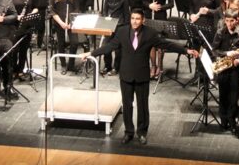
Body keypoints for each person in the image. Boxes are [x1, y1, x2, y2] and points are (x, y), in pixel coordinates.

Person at [83, 9, 199, 145]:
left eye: (137, 19)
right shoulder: (122, 31)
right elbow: (109, 47)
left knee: (143, 106)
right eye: (132, 18)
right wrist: (91, 53)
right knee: (127, 105)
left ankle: (142, 132)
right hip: (126, 74)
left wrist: (186, 50)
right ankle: (128, 132)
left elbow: (166, 44)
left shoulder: (150, 33)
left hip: (142, 75)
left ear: (143, 20)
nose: (134, 21)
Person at [212, 9, 239, 132]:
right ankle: (223, 120)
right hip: (224, 67)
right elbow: (214, 50)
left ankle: (232, 120)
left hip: (237, 68)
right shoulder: (220, 33)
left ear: (237, 20)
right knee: (223, 94)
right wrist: (227, 53)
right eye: (227, 20)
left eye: (231, 21)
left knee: (234, 94)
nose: (229, 24)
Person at [143, 0, 174, 78]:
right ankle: (153, 66)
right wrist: (149, 5)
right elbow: (143, 1)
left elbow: (171, 4)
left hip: (160, 17)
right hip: (149, 17)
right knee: (151, 44)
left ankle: (160, 67)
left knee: (160, 44)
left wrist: (160, 7)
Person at [7, 0, 38, 80]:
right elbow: (6, 9)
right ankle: (13, 70)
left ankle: (20, 71)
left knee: (23, 50)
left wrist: (31, 14)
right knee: (14, 49)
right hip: (14, 25)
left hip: (26, 25)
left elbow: (36, 7)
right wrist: (16, 16)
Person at [48, 0, 80, 74]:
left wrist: (71, 22)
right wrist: (61, 23)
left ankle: (71, 64)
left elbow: (76, 8)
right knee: (61, 43)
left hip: (71, 22)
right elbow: (52, 10)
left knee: (75, 43)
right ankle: (63, 64)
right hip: (59, 22)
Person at [101, 0, 130, 76]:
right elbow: (105, 10)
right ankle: (107, 66)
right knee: (106, 46)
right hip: (109, 25)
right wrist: (105, 19)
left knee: (118, 50)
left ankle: (116, 68)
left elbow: (126, 15)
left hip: (119, 26)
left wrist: (126, 29)